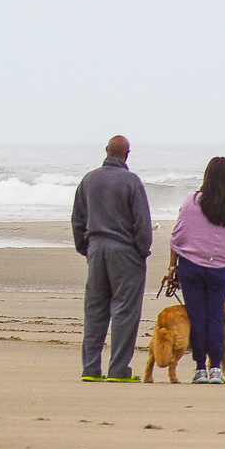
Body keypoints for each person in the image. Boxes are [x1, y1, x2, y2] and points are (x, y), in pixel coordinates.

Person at [165, 156, 225, 384]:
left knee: (197, 317)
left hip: (190, 268)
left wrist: (172, 268)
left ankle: (199, 370)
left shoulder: (191, 202)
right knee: (214, 317)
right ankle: (215, 368)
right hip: (219, 270)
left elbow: (178, 237)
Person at [72, 134, 153, 382]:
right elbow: (143, 224)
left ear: (106, 151)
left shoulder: (89, 179)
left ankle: (90, 369)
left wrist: (86, 248)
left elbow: (77, 219)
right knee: (125, 310)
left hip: (96, 248)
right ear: (127, 154)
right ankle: (118, 369)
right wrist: (142, 250)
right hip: (125, 251)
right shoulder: (131, 181)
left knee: (95, 309)